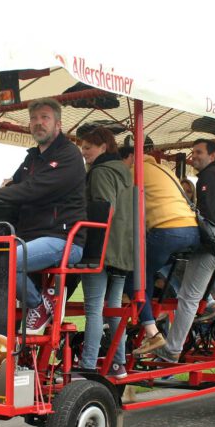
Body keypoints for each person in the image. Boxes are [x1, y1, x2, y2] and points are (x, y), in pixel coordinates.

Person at [0, 98, 86, 334]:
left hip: (62, 237)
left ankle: (37, 305)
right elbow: (14, 188)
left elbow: (31, 190)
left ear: (58, 124)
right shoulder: (32, 158)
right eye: (34, 119)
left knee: (4, 260)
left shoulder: (69, 155)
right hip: (29, 235)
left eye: (45, 118)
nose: (38, 123)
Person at [146, 139, 215, 362]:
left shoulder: (208, 177)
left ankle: (172, 349)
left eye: (199, 152)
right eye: (193, 152)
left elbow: (206, 215)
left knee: (187, 297)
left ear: (213, 156)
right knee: (179, 266)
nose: (194, 156)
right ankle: (210, 304)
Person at [76, 127, 133, 379]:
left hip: (101, 250)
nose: (84, 152)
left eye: (88, 147)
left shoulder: (99, 172)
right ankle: (119, 364)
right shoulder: (125, 173)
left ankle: (88, 365)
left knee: (94, 310)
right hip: (122, 250)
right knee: (115, 308)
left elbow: (102, 211)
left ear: (103, 147)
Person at [130, 154, 200, 354]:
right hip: (192, 231)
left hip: (168, 231)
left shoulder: (135, 170)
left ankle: (152, 332)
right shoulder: (165, 170)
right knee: (154, 269)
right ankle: (209, 302)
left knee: (135, 276)